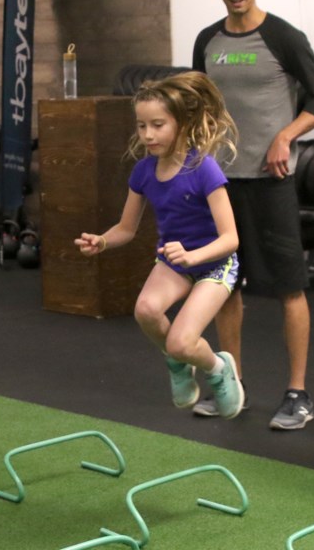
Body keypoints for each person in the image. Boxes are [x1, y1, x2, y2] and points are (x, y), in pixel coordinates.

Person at [192, 0, 314, 429]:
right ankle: (230, 384)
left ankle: (298, 393)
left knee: (289, 287)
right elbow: (200, 103)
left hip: (271, 183)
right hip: (219, 184)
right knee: (224, 286)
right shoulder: (207, 42)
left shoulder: (281, 36)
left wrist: (286, 135)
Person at [74, 72, 245, 419]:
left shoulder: (204, 169)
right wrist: (103, 241)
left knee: (182, 341)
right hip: (175, 262)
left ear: (181, 123)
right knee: (147, 311)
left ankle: (217, 368)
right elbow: (126, 228)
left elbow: (231, 239)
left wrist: (193, 255)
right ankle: (178, 364)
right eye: (141, 126)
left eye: (158, 125)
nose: (148, 135)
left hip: (215, 263)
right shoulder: (143, 172)